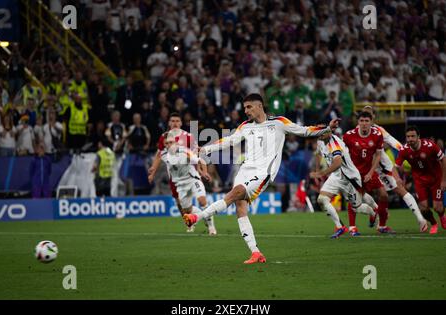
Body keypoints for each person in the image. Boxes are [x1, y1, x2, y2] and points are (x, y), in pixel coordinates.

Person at [183, 93, 340, 264]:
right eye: (244, 108)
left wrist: (327, 128)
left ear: (259, 106)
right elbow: (228, 140)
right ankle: (256, 253)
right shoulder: (245, 126)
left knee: (236, 192)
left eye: (249, 107)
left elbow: (304, 131)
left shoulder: (279, 122)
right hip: (245, 171)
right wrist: (205, 150)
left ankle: (197, 217)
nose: (246, 111)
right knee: (240, 208)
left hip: (264, 173)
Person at [361, 105, 427, 231]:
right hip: (367, 169)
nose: (366, 119)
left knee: (399, 190)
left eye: (369, 115)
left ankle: (420, 219)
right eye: (364, 116)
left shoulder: (379, 130)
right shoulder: (355, 133)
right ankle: (377, 215)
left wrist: (406, 151)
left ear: (373, 117)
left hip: (384, 167)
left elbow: (393, 141)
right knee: (367, 193)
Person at [310, 130, 377, 239]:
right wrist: (317, 169)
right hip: (336, 176)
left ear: (329, 132)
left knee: (357, 208)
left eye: (323, 132)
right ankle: (340, 227)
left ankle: (373, 213)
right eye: (319, 132)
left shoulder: (335, 144)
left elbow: (337, 163)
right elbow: (318, 153)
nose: (320, 134)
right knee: (322, 199)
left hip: (349, 178)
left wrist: (320, 174)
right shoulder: (320, 141)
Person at [343, 111, 394, 235]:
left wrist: (371, 172)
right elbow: (342, 154)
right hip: (355, 173)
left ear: (371, 122)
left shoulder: (377, 135)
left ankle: (381, 226)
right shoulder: (349, 135)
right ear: (358, 122)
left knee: (384, 195)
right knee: (355, 200)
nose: (364, 124)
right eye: (362, 121)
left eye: (367, 121)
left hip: (369, 172)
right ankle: (352, 228)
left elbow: (378, 156)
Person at [148, 112, 198, 232]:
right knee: (179, 202)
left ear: (181, 123)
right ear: (169, 123)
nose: (175, 123)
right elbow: (159, 154)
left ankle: (200, 219)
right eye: (172, 121)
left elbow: (196, 152)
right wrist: (153, 171)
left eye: (177, 121)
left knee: (194, 199)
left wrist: (198, 169)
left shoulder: (188, 136)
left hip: (189, 175)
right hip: (174, 177)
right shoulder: (164, 137)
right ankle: (189, 222)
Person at [161, 129, 217, 235]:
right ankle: (203, 216)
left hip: (193, 180)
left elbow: (201, 160)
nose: (169, 145)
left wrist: (204, 172)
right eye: (167, 143)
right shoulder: (165, 156)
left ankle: (211, 228)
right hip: (181, 185)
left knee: (202, 201)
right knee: (187, 211)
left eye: (171, 142)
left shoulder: (184, 151)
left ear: (176, 142)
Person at [395, 127, 446, 234]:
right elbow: (395, 167)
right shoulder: (404, 150)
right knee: (423, 208)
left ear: (419, 137)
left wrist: (443, 180)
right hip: (420, 181)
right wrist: (398, 178)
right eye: (408, 137)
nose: (410, 139)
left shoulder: (430, 146)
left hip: (435, 179)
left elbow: (443, 160)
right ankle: (434, 223)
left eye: (413, 136)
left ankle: (442, 216)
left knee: (438, 207)